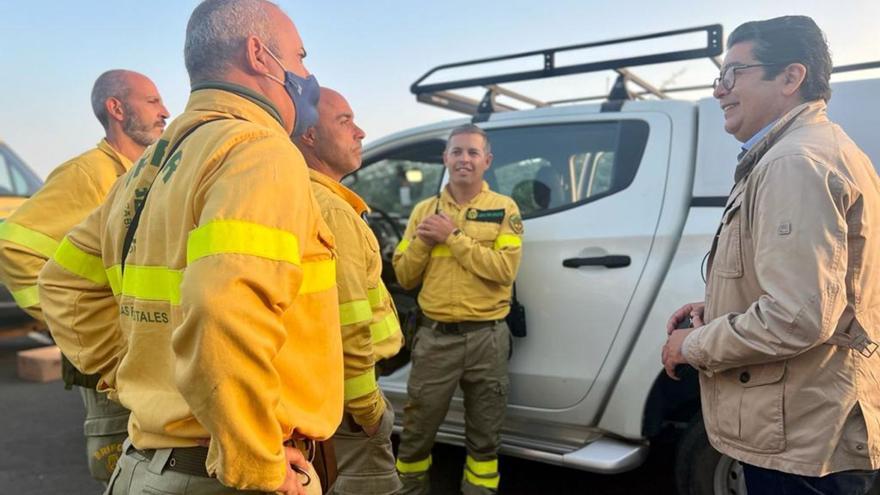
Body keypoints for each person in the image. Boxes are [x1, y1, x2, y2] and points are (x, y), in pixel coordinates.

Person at [38, 0, 342, 493]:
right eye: (301, 57)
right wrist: (258, 460)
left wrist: (138, 371)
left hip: (146, 467)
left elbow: (63, 283)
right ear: (259, 55)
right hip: (225, 474)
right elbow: (224, 306)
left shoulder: (146, 168)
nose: (307, 75)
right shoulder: (259, 151)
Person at [662, 15, 880, 495]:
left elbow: (797, 316)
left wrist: (691, 346)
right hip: (813, 426)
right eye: (719, 76)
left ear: (790, 77)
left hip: (802, 442)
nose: (720, 90)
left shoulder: (794, 162)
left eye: (733, 73)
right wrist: (714, 311)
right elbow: (823, 291)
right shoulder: (821, 150)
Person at [0, 69, 168, 482]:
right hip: (108, 367)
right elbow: (12, 243)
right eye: (152, 101)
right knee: (125, 473)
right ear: (116, 108)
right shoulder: (89, 173)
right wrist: (68, 319)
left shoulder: (148, 172)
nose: (165, 111)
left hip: (143, 358)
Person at [392, 124, 523, 494]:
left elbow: (504, 271)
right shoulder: (423, 211)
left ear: (487, 161)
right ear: (445, 158)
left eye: (473, 153)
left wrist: (452, 237)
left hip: (488, 339)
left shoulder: (503, 209)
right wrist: (423, 239)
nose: (464, 159)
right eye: (457, 152)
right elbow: (403, 275)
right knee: (415, 436)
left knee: (485, 439)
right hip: (436, 340)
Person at [295, 87, 404, 495]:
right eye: (344, 121)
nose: (359, 132)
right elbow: (349, 320)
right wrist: (368, 411)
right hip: (346, 403)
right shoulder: (332, 210)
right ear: (309, 136)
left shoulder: (295, 195)